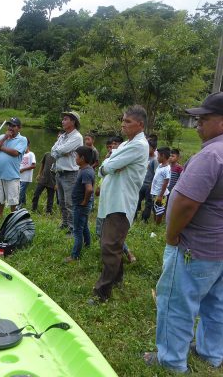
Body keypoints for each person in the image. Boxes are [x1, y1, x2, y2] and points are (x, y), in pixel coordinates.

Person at [144, 92, 223, 373]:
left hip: (196, 248)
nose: (197, 124)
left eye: (203, 119)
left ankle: (171, 361)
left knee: (177, 304)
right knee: (218, 303)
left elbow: (185, 203)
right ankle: (211, 354)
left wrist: (172, 236)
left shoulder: (212, 154)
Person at [91, 105, 149, 303]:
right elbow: (103, 168)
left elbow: (108, 166)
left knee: (110, 246)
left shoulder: (138, 145)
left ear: (140, 125)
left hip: (121, 203)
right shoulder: (125, 144)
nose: (123, 125)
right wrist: (109, 165)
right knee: (112, 243)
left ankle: (102, 292)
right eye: (123, 120)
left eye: (128, 122)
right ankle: (117, 279)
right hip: (112, 202)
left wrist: (109, 165)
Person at [95, 136, 136, 263]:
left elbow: (111, 169)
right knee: (99, 231)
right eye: (111, 144)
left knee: (114, 234)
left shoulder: (125, 159)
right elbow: (102, 172)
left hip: (116, 202)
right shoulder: (109, 157)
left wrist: (108, 168)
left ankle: (126, 252)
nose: (113, 147)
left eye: (116, 144)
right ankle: (108, 255)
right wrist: (107, 167)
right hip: (105, 197)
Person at [51, 111, 83, 235]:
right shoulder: (63, 136)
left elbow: (61, 150)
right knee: (62, 201)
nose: (62, 121)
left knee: (70, 202)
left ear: (73, 121)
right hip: (59, 172)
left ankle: (72, 228)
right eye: (63, 119)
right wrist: (61, 152)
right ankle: (64, 223)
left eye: (65, 119)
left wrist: (61, 151)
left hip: (70, 174)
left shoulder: (77, 137)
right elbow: (53, 150)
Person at [0, 117, 28, 219]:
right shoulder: (2, 136)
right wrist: (4, 138)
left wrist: (0, 147)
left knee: (13, 202)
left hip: (12, 176)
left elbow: (15, 153)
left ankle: (13, 220)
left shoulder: (22, 139)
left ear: (19, 128)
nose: (10, 127)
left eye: (13, 126)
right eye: (9, 125)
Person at [64, 146, 95, 263]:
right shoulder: (87, 169)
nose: (75, 158)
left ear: (82, 158)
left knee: (77, 231)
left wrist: (84, 202)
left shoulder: (86, 172)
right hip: (82, 205)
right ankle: (87, 245)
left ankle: (74, 255)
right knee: (84, 226)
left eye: (76, 156)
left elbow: (89, 189)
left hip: (80, 206)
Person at [137, 139, 158, 222]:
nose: (147, 149)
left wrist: (152, 184)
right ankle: (133, 217)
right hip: (141, 183)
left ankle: (144, 219)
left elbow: (156, 174)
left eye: (149, 147)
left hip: (149, 184)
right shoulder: (144, 157)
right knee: (136, 201)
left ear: (154, 149)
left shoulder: (155, 160)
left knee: (148, 203)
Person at [150, 147, 171, 225]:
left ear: (163, 156)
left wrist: (160, 195)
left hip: (161, 194)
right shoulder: (160, 165)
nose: (157, 157)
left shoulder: (167, 169)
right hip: (155, 192)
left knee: (159, 210)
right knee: (155, 208)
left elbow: (166, 182)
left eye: (158, 155)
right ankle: (155, 222)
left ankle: (157, 225)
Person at [18, 139, 36, 207]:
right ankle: (24, 204)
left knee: (20, 192)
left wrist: (23, 169)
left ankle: (18, 205)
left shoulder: (31, 154)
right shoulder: (20, 154)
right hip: (19, 176)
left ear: (28, 145)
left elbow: (34, 165)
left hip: (26, 178)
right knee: (22, 191)